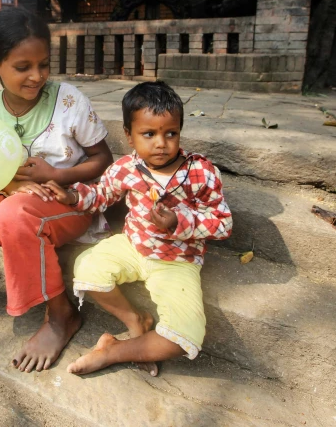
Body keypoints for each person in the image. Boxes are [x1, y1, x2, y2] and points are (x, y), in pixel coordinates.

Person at [0, 7, 113, 373]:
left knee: (13, 216)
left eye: (44, 64)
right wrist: (14, 184)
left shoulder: (68, 101)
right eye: (23, 67)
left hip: (68, 203)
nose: (37, 76)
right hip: (9, 198)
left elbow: (103, 159)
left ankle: (62, 316)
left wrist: (56, 175)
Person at [42, 81, 233, 376]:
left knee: (186, 335)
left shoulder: (200, 172)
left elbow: (223, 223)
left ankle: (113, 351)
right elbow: (102, 194)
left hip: (177, 261)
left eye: (171, 133)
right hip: (133, 245)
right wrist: (74, 196)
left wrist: (179, 222)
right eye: (149, 134)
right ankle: (135, 322)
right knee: (86, 267)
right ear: (129, 136)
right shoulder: (126, 168)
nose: (161, 143)